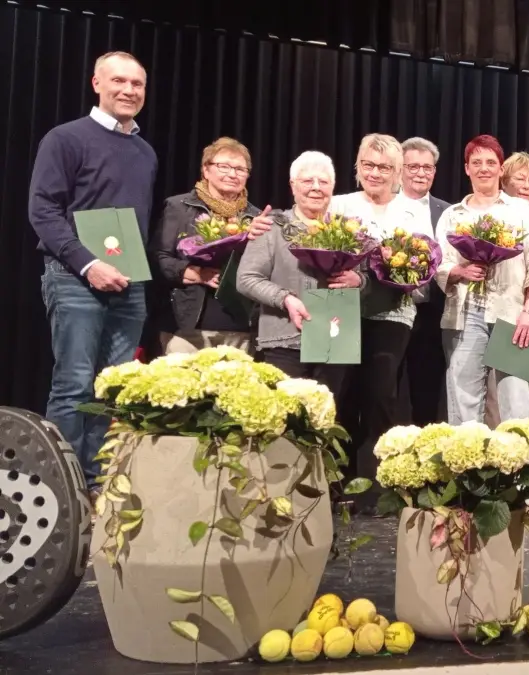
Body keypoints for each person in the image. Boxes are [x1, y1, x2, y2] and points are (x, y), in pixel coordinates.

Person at [28, 51, 157, 495]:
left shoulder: (145, 151)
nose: (128, 90)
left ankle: (97, 484)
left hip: (130, 282)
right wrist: (88, 263)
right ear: (96, 83)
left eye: (137, 84)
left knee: (114, 388)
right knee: (74, 385)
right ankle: (61, 493)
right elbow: (43, 212)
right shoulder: (65, 139)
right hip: (73, 277)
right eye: (118, 81)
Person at [435, 135, 529, 424]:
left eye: (490, 162)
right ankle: (466, 466)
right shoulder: (452, 215)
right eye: (476, 163)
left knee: (517, 399)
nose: (483, 168)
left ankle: (518, 467)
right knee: (463, 398)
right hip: (465, 313)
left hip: (512, 314)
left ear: (500, 169)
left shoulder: (520, 210)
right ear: (466, 169)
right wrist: (460, 272)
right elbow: (439, 265)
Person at [330, 134, 422, 482]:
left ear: (398, 171)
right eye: (368, 164)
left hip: (392, 312)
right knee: (342, 393)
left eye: (384, 167)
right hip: (343, 310)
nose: (376, 173)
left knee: (381, 395)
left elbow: (422, 268)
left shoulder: (411, 211)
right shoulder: (339, 205)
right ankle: (338, 481)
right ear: (358, 167)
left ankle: (374, 482)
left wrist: (388, 268)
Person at [236, 151, 364, 394]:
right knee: (285, 419)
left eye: (323, 182)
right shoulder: (271, 226)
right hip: (285, 338)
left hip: (334, 339)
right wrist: (286, 298)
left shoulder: (346, 230)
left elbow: (364, 277)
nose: (316, 188)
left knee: (325, 419)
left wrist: (358, 279)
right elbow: (246, 278)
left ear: (333, 187)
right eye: (307, 181)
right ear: (293, 186)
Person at [151, 137, 273, 354]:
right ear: (206, 170)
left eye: (240, 169)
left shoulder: (257, 218)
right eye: (224, 166)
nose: (232, 174)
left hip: (241, 329)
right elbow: (158, 257)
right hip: (187, 328)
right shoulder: (179, 207)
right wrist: (195, 273)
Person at [483, 151, 529, 428]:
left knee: (528, 392)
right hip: (505, 313)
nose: (527, 185)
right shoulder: (491, 216)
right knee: (499, 396)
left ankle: (525, 454)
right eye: (520, 178)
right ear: (504, 181)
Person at [394, 137, 451, 426]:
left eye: (427, 167)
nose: (420, 173)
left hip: (431, 311)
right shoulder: (386, 205)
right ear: (400, 169)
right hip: (389, 308)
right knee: (386, 389)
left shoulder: (447, 211)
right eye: (413, 166)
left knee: (427, 392)